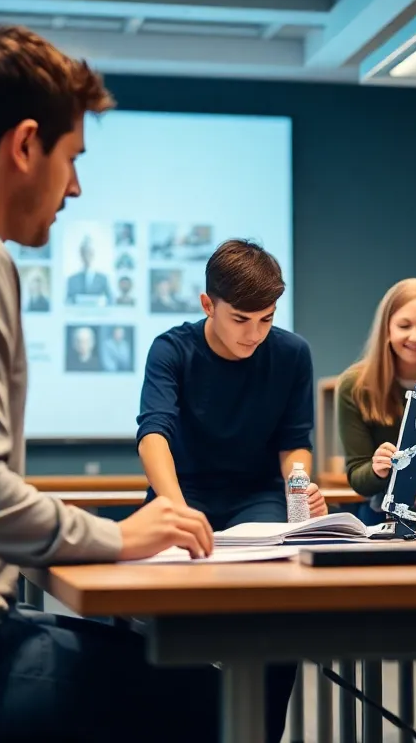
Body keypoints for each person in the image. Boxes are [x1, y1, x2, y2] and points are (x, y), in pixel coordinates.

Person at [0, 24, 234, 742]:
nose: (75, 186)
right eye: (71, 159)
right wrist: (117, 537)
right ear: (26, 143)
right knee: (198, 694)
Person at [136, 238, 328, 739]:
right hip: (185, 490)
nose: (255, 334)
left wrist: (300, 489)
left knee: (277, 610)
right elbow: (154, 433)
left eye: (266, 319)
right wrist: (173, 510)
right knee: (152, 613)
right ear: (208, 304)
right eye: (241, 320)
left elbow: (295, 443)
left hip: (255, 496)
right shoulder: (171, 349)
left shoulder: (291, 353)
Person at [337, 279, 416, 525]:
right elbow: (358, 478)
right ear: (387, 328)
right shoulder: (354, 386)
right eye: (404, 325)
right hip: (383, 511)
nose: (415, 336)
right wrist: (377, 469)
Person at [65, 235, 111, 305]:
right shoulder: (72, 280)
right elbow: (67, 301)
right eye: (84, 252)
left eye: (89, 252)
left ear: (93, 254)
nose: (87, 256)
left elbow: (110, 301)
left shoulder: (103, 279)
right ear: (81, 255)